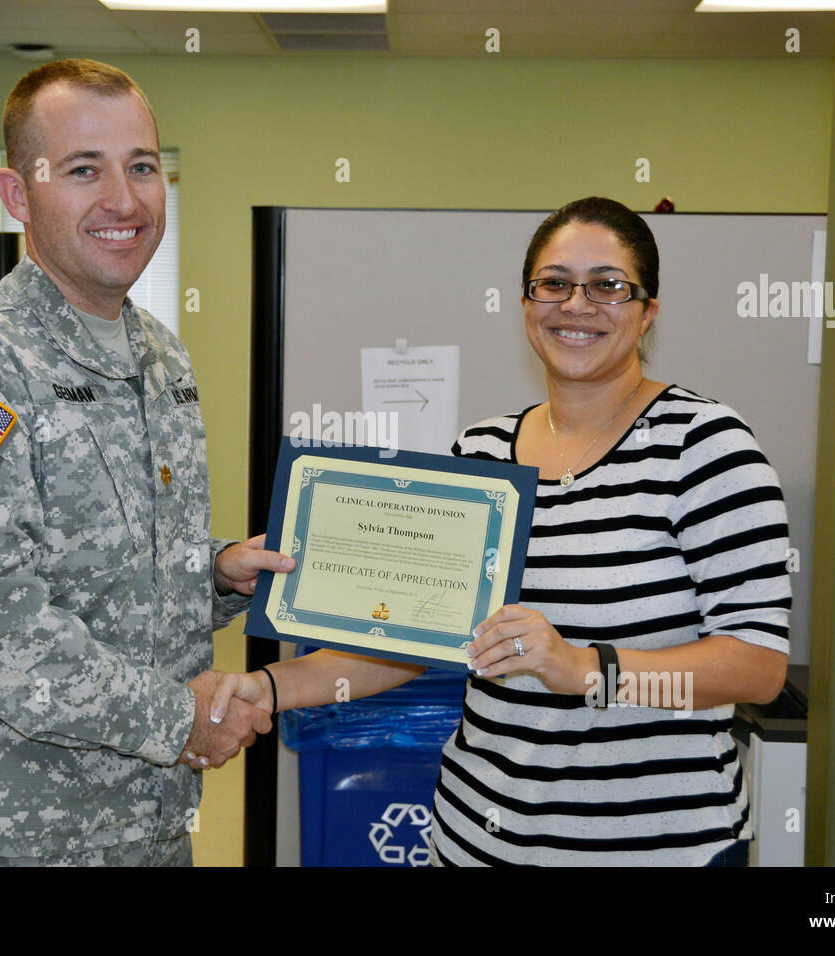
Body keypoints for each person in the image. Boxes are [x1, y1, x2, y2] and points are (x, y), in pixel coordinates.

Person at [216, 197, 790, 866]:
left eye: (608, 284)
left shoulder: (705, 445)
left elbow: (757, 666)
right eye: (554, 283)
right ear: (526, 304)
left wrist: (582, 668)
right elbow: (407, 641)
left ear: (647, 311)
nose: (577, 304)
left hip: (655, 847)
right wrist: (267, 687)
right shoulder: (482, 453)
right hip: (479, 839)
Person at [0, 58, 291, 867]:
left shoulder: (157, 355)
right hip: (10, 839)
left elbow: (102, 567)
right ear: (18, 194)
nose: (124, 201)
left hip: (149, 827)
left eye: (141, 167)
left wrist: (215, 573)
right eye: (83, 170)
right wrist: (181, 720)